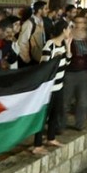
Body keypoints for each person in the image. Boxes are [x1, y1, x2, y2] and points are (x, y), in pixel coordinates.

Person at [34, 21, 69, 153]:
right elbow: (43, 65)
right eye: (68, 29)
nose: (69, 32)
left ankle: (51, 137)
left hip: (59, 85)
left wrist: (69, 49)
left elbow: (66, 63)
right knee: (44, 115)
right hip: (49, 87)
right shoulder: (50, 45)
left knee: (55, 113)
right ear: (63, 30)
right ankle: (37, 144)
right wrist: (55, 59)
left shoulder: (64, 44)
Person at [63, 14, 87, 131]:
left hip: (83, 72)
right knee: (65, 101)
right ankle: (60, 124)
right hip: (70, 72)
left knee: (82, 101)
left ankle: (80, 124)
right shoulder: (69, 36)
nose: (81, 25)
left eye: (83, 22)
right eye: (79, 22)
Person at [17, 0, 48, 66]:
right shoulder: (29, 23)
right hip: (31, 59)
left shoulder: (41, 21)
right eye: (45, 9)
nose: (47, 10)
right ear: (39, 10)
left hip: (38, 57)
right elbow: (22, 42)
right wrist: (27, 59)